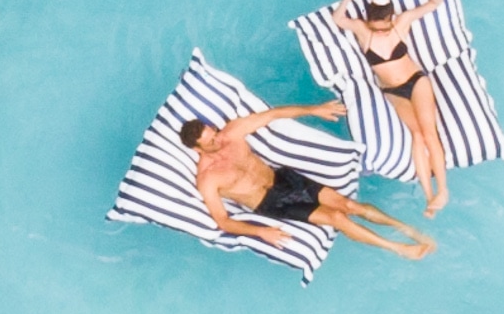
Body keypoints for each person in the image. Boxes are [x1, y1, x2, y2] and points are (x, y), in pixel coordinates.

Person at [182, 102, 435, 261]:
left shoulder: (231, 132)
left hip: (284, 177)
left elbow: (273, 114)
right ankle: (398, 248)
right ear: (198, 149)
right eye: (211, 141)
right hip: (271, 202)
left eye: (213, 131)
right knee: (338, 218)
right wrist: (260, 231)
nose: (218, 139)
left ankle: (405, 228)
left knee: (349, 205)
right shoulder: (208, 178)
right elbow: (222, 220)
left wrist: (313, 109)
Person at [337, 0, 451, 211]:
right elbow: (338, 19)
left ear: (391, 17)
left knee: (429, 134)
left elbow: (435, 3)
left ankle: (442, 190)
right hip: (393, 90)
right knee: (417, 136)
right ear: (369, 21)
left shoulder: (401, 22)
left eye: (385, 25)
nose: (382, 31)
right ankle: (429, 196)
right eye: (377, 27)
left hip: (416, 81)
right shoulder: (362, 30)